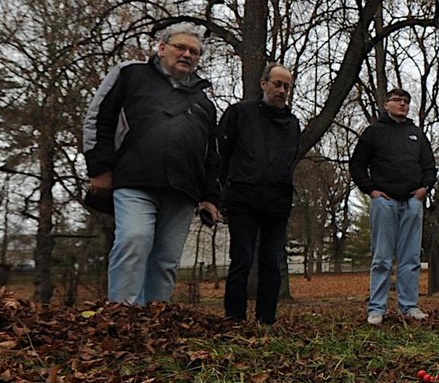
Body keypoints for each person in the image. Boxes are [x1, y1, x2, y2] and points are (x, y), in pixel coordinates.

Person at [84, 22, 221, 305]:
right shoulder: (130, 74)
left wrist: (210, 197)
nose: (187, 54)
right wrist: (99, 169)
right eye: (180, 47)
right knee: (134, 240)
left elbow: (211, 154)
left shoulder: (204, 102)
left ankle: (157, 321)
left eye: (194, 51)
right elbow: (99, 118)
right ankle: (122, 317)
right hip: (134, 180)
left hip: (183, 191)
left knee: (167, 260)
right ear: (161, 48)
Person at [217, 64, 301, 324]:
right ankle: (234, 316)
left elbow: (290, 159)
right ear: (263, 84)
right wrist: (222, 192)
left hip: (277, 202)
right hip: (243, 197)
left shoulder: (292, 123)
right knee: (241, 259)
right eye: (277, 84)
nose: (282, 91)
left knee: (271, 262)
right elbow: (223, 153)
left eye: (286, 86)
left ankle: (267, 317)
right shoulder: (239, 113)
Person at [349, 89, 436, 324]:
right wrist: (371, 191)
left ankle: (408, 306)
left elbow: (430, 167)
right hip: (384, 203)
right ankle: (376, 308)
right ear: (386, 104)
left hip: (412, 203)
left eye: (407, 101)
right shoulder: (374, 132)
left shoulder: (416, 134)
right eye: (397, 100)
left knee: (410, 259)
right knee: (382, 258)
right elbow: (357, 164)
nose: (403, 104)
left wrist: (424, 189)